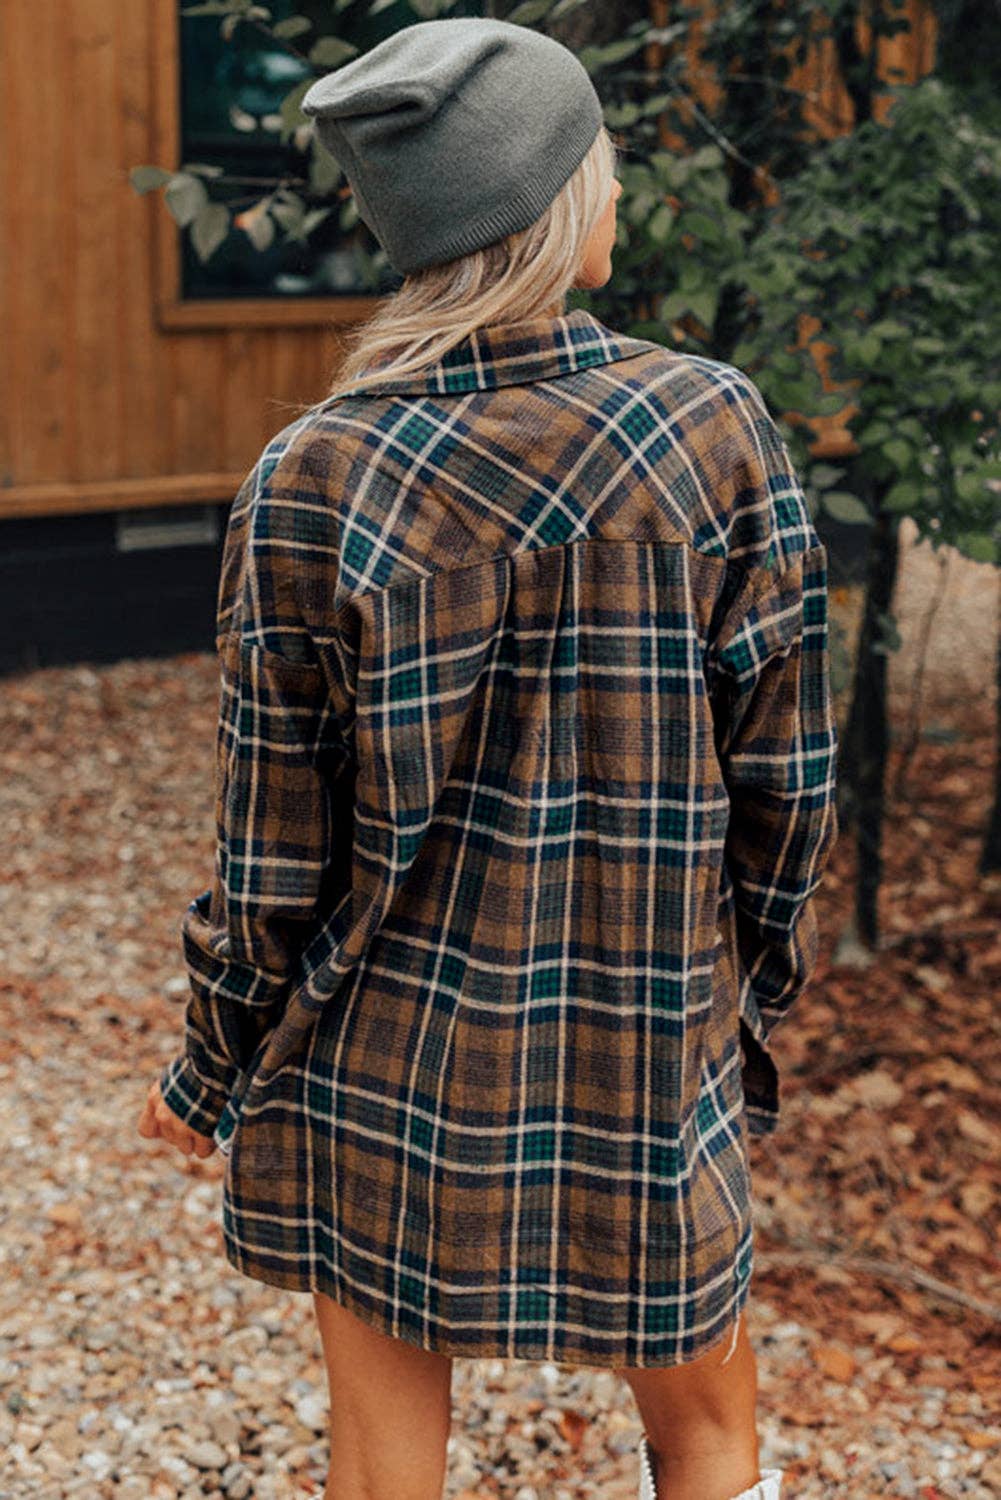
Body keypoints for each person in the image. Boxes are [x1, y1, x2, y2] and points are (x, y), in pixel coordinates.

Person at [137, 17, 839, 1500]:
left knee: (388, 1458)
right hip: (645, 1038)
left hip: (379, 1065)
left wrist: (210, 1066)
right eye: (600, 163)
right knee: (706, 1433)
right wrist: (736, 997)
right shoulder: (705, 429)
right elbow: (787, 785)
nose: (624, 190)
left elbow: (271, 857)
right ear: (545, 204)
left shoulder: (311, 476)